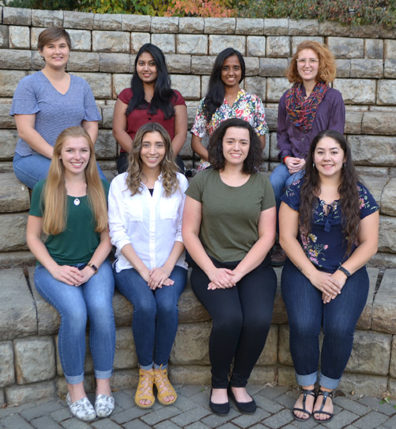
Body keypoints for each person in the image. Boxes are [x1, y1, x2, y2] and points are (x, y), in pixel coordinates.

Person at [279, 130, 379, 422]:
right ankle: (307, 389)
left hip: (347, 271)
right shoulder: (297, 189)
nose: (327, 158)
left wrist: (340, 275)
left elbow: (370, 244)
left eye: (333, 152)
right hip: (303, 269)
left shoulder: (359, 193)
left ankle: (327, 391)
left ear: (344, 156)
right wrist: (314, 276)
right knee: (304, 324)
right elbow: (286, 238)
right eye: (320, 152)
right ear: (312, 156)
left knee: (338, 327)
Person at [183, 118, 277, 415]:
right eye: (231, 141)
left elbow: (268, 236)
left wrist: (238, 273)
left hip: (253, 267)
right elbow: (188, 232)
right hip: (210, 265)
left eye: (243, 142)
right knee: (229, 319)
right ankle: (219, 383)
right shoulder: (202, 181)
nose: (236, 147)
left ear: (252, 148)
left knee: (259, 319)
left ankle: (239, 382)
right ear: (220, 144)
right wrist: (213, 271)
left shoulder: (262, 182)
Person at [26, 126, 115, 422]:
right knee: (76, 313)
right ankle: (74, 390)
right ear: (59, 154)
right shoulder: (45, 187)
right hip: (53, 267)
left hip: (93, 264)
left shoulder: (100, 186)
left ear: (91, 154)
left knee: (101, 309)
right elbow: (33, 238)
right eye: (71, 150)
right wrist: (54, 268)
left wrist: (90, 269)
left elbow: (107, 240)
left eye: (83, 150)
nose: (77, 156)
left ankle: (104, 386)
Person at [108, 122, 188, 408]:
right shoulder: (120, 184)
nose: (152, 151)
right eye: (146, 144)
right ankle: (145, 372)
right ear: (137, 148)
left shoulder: (179, 182)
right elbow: (117, 232)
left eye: (159, 145)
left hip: (172, 265)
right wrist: (145, 271)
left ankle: (160, 370)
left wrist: (165, 269)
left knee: (166, 305)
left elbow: (184, 230)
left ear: (167, 148)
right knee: (145, 305)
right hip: (132, 267)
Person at [270, 40, 345, 265]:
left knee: (294, 183)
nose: (307, 64)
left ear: (320, 64)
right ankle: (275, 238)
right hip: (291, 159)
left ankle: (292, 241)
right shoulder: (287, 98)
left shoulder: (333, 98)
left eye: (312, 60)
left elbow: (336, 136)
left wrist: (311, 161)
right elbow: (282, 134)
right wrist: (286, 157)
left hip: (319, 162)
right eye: (302, 60)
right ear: (296, 65)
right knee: (273, 182)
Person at [11, 27, 104, 189]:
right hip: (33, 157)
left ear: (69, 49)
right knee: (68, 185)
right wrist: (60, 156)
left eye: (62, 46)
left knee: (102, 187)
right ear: (41, 51)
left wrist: (80, 154)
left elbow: (91, 125)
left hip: (75, 157)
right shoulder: (29, 84)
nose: (57, 51)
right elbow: (25, 131)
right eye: (51, 46)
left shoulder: (81, 85)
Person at [112, 43, 187, 174]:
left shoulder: (175, 98)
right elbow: (118, 131)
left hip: (167, 157)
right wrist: (139, 155)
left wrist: (165, 157)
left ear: (160, 67)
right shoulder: (126, 96)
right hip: (131, 157)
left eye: (152, 64)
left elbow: (181, 134)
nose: (146, 68)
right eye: (141, 63)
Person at [191, 48, 268, 170]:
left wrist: (240, 160)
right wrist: (216, 161)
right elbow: (195, 143)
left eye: (236, 68)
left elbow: (260, 141)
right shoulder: (207, 102)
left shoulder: (254, 102)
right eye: (225, 68)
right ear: (219, 71)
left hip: (244, 162)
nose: (231, 73)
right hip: (214, 164)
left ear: (242, 71)